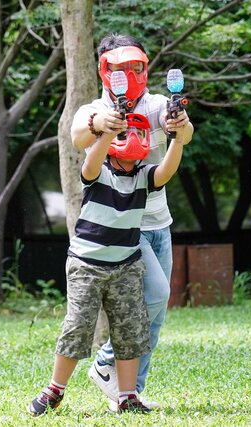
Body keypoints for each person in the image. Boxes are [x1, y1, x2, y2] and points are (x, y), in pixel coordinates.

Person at [27, 110, 191, 416]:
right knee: (77, 326)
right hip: (86, 265)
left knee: (131, 330)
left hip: (127, 266)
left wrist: (177, 138)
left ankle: (127, 396)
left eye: (135, 134)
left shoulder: (144, 176)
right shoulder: (98, 172)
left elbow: (167, 170)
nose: (130, 139)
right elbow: (89, 163)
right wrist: (106, 131)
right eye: (123, 134)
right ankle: (54, 390)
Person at [71, 33, 194, 411]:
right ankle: (107, 363)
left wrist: (181, 125)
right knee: (155, 296)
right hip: (125, 227)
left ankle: (129, 393)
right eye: (119, 67)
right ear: (104, 70)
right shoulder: (94, 108)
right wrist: (100, 123)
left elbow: (185, 134)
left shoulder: (158, 105)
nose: (128, 73)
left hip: (160, 222)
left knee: (156, 310)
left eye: (134, 66)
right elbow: (77, 137)